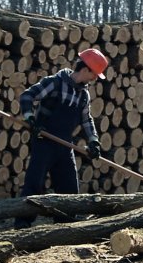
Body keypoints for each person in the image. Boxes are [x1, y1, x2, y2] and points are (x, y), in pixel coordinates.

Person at [15, 48, 110, 223]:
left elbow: (86, 119)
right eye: (95, 74)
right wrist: (30, 119)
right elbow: (27, 96)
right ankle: (22, 226)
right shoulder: (55, 83)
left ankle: (65, 228)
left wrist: (94, 141)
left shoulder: (83, 95)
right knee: (34, 186)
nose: (95, 78)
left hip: (65, 145)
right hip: (43, 141)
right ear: (85, 69)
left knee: (70, 190)